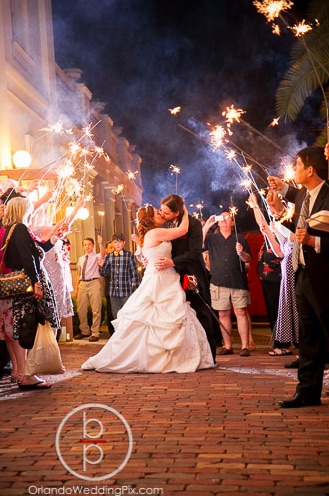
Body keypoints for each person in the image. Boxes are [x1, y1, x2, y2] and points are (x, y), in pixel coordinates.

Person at [81, 204, 214, 373]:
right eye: (158, 213)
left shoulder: (154, 233)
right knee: (153, 317)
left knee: (164, 316)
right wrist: (184, 209)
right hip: (159, 279)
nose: (161, 214)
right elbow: (183, 229)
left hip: (165, 276)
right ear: (151, 219)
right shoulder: (154, 233)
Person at [267, 145, 329, 408]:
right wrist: (279, 210)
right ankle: (307, 392)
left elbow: (312, 234)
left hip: (325, 278)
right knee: (309, 337)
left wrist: (316, 241)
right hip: (303, 275)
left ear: (310, 169)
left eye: (297, 165)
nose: (294, 170)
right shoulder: (304, 196)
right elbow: (298, 226)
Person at [1, 197, 61, 389]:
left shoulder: (7, 229)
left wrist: (54, 237)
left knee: (14, 329)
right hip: (24, 284)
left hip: (12, 285)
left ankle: (20, 371)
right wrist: (36, 283)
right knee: (26, 327)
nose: (30, 212)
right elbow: (28, 258)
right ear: (21, 210)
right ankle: (27, 374)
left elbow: (37, 250)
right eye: (28, 208)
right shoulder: (20, 228)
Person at [155, 194, 217, 363]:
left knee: (201, 312)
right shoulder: (166, 224)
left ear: (176, 213)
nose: (162, 215)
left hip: (191, 275)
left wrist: (172, 261)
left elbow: (194, 253)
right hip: (172, 276)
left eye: (166, 213)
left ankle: (209, 355)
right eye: (161, 211)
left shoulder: (194, 224)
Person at [202, 211, 252, 357]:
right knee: (223, 313)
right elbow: (198, 245)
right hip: (218, 281)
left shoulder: (240, 239)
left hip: (237, 281)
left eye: (227, 217)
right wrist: (206, 227)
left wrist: (242, 253)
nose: (224, 220)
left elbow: (248, 259)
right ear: (217, 222)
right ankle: (228, 346)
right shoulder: (212, 239)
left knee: (241, 312)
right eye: (221, 218)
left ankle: (245, 346)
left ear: (232, 222)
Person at [99, 233, 140, 322]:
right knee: (116, 316)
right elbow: (104, 273)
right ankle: (119, 335)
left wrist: (138, 290)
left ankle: (128, 335)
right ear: (112, 243)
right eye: (115, 242)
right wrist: (102, 266)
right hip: (113, 293)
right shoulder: (108, 256)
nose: (118, 244)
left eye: (120, 242)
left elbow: (134, 273)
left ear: (124, 242)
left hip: (126, 292)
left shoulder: (129, 255)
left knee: (127, 315)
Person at [74, 236, 103, 342]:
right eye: (85, 244)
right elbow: (79, 274)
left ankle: (95, 333)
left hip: (93, 282)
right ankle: (84, 331)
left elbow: (103, 254)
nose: (87, 246)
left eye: (89, 244)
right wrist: (77, 287)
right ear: (83, 246)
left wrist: (101, 243)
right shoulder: (81, 259)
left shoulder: (97, 256)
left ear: (93, 245)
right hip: (82, 284)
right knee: (81, 309)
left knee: (96, 309)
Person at [103, 240, 115, 334]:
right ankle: (112, 333)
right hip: (109, 289)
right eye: (111, 247)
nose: (113, 249)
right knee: (110, 313)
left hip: (122, 291)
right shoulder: (106, 260)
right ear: (106, 250)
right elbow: (104, 273)